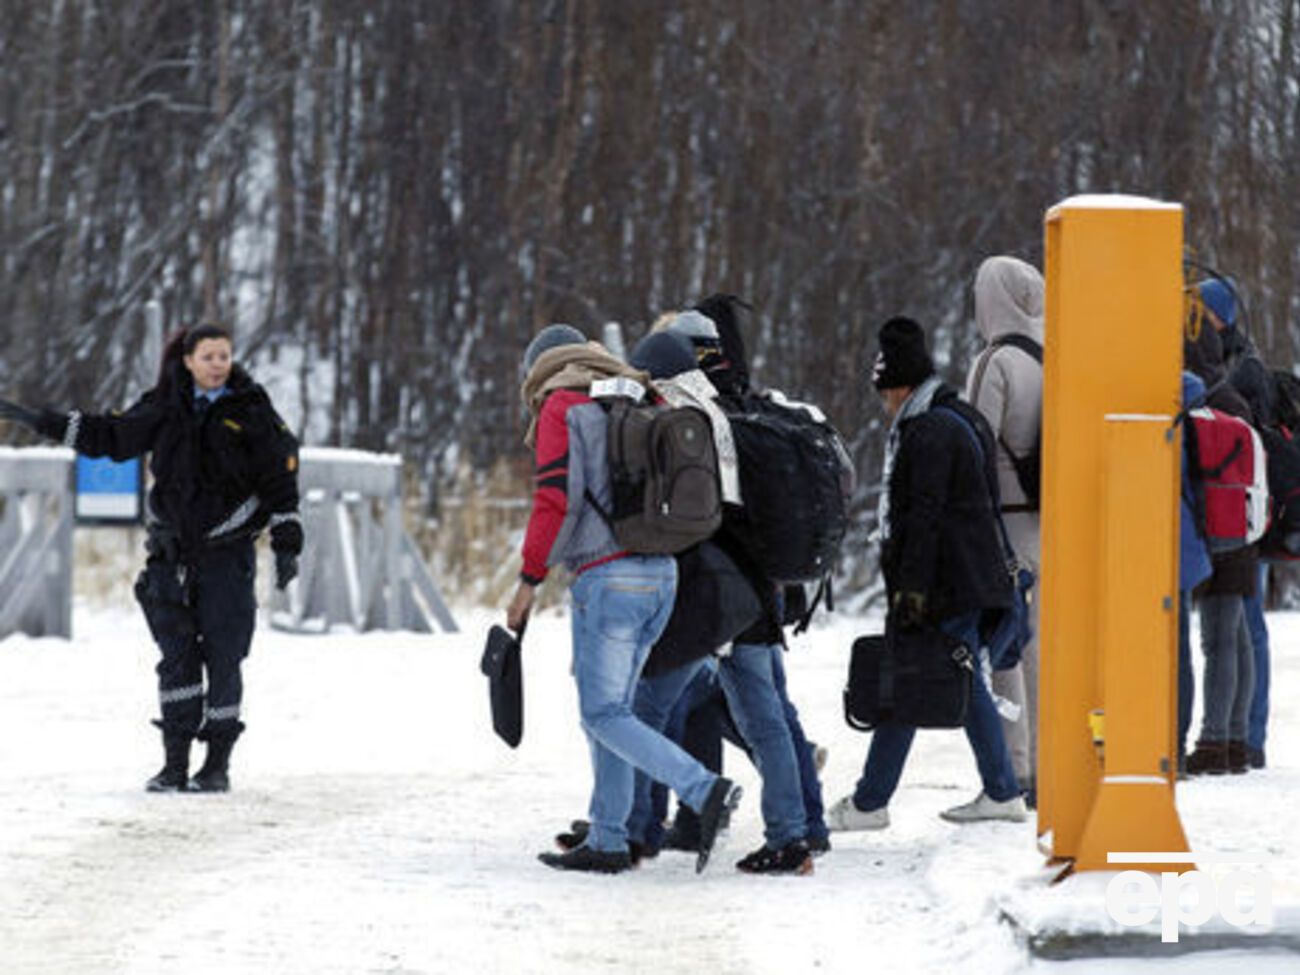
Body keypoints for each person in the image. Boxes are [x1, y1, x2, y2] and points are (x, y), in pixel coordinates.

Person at [0, 322, 303, 793]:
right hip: (171, 555)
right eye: (208, 357)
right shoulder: (165, 407)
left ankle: (216, 764)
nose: (218, 365)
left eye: (224, 356)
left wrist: (287, 542)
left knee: (224, 656)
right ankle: (175, 763)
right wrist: (40, 420)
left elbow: (281, 480)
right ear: (187, 360)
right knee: (177, 658)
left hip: (227, 554)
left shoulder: (252, 409)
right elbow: (112, 436)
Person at [505, 324, 741, 875]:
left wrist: (528, 580)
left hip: (608, 580)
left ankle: (703, 789)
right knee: (614, 712)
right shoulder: (634, 392)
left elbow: (554, 500)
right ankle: (610, 838)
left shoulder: (562, 405)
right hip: (662, 574)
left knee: (604, 711)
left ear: (541, 367)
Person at [828, 317, 1026, 831]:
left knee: (912, 677)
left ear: (899, 386)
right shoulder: (959, 415)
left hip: (947, 580)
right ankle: (997, 790)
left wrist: (912, 589)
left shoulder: (928, 430)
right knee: (942, 676)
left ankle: (872, 804)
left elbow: (925, 515)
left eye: (884, 392)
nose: (883, 404)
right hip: (970, 574)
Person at [964, 255, 1044, 804]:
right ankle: (1046, 759)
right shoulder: (1050, 357)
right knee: (1041, 644)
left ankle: (1015, 767)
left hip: (1004, 525)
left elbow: (976, 443)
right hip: (1047, 521)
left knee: (1004, 646)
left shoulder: (995, 362)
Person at [1183, 282, 1259, 775]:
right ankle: (1234, 740)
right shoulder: (1236, 394)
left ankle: (1214, 743)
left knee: (1219, 639)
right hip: (1243, 521)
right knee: (1237, 637)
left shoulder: (1201, 398)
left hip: (1215, 524)